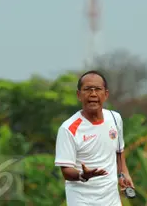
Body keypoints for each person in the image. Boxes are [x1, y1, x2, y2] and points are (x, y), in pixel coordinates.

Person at [54, 70, 134, 206]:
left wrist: (123, 173)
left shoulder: (115, 118)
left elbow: (119, 151)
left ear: (106, 94)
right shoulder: (68, 128)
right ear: (79, 95)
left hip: (111, 200)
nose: (93, 94)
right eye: (87, 89)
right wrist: (82, 175)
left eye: (97, 89)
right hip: (82, 200)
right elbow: (66, 170)